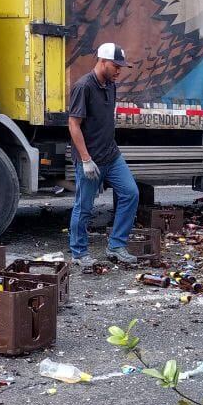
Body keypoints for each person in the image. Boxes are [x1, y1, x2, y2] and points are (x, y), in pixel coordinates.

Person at [67, 43, 140, 267]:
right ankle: (79, 253)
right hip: (91, 159)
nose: (119, 71)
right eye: (115, 66)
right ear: (102, 61)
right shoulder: (83, 86)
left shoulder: (110, 85)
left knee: (130, 193)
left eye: (120, 67)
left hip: (111, 155)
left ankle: (116, 245)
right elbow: (73, 124)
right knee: (84, 207)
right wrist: (86, 160)